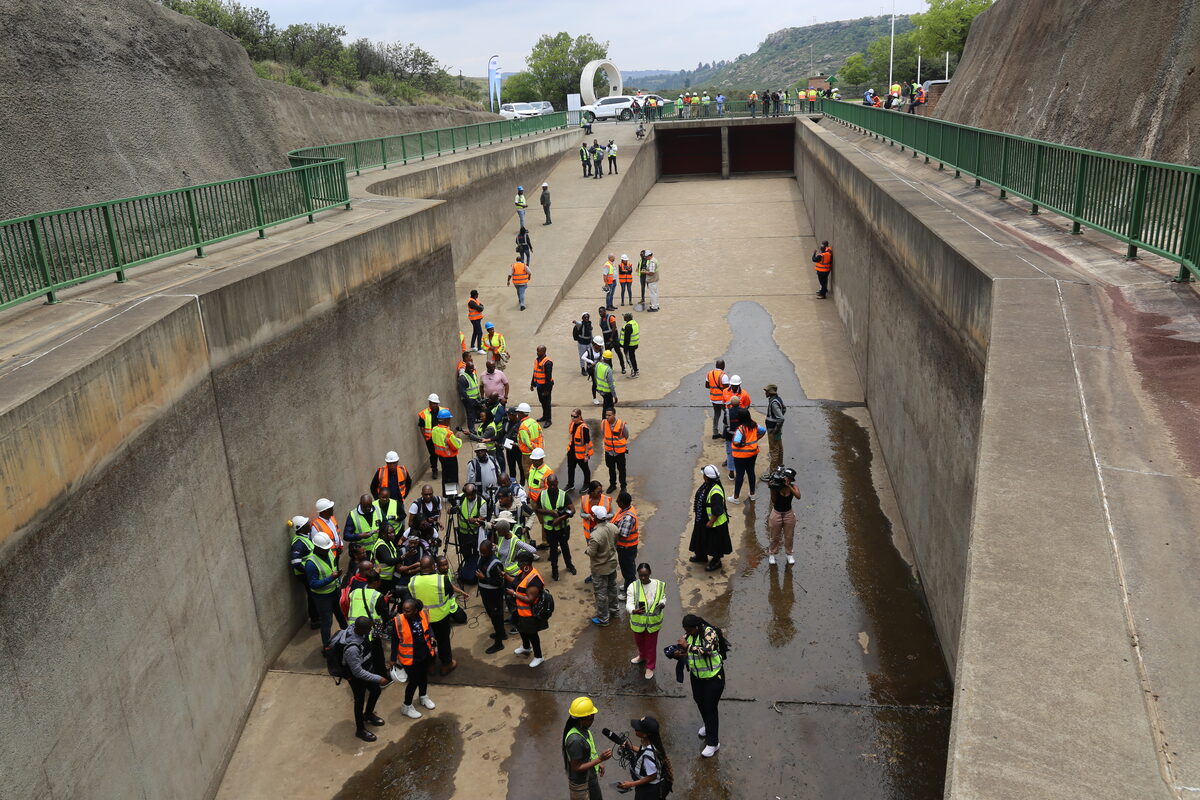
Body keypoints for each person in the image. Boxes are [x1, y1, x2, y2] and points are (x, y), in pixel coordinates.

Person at [669, 614, 726, 757]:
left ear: (696, 627)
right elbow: (686, 651)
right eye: (685, 630)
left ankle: (713, 743)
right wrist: (677, 653)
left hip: (714, 678)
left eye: (689, 630)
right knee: (700, 701)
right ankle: (708, 725)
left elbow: (707, 650)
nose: (687, 633)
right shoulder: (689, 635)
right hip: (697, 677)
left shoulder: (709, 632)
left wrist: (688, 647)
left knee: (710, 708)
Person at [407, 555, 469, 676]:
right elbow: (450, 592)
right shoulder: (441, 579)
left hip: (423, 619)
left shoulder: (413, 581)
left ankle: (430, 665)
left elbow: (411, 598)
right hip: (441, 617)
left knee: (427, 642)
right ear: (433, 566)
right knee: (443, 641)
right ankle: (446, 665)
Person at [333, 617, 389, 741]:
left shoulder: (357, 630)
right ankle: (360, 729)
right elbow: (358, 672)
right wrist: (378, 678)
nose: (371, 630)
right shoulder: (352, 649)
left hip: (368, 669)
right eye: (369, 629)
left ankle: (368, 715)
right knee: (359, 702)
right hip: (356, 678)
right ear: (362, 629)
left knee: (376, 691)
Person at [392, 597, 438, 719]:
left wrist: (432, 636)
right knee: (413, 682)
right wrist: (392, 659)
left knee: (423, 677)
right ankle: (406, 706)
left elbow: (429, 627)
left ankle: (423, 696)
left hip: (425, 653)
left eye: (408, 611)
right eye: (404, 610)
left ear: (416, 610)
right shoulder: (398, 621)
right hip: (410, 658)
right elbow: (394, 641)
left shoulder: (423, 614)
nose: (405, 613)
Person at [563, 696, 612, 799]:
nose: (592, 721)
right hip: (582, 784)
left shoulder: (583, 730)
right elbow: (576, 767)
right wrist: (600, 759)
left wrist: (598, 764)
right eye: (591, 719)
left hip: (590, 776)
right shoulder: (575, 740)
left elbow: (590, 751)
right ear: (581, 719)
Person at [304, 531, 345, 649]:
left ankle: (347, 636)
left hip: (335, 591)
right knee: (327, 621)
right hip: (322, 597)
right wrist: (331, 578)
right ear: (317, 547)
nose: (327, 550)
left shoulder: (330, 553)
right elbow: (313, 584)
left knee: (341, 615)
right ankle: (327, 646)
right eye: (324, 548)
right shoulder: (311, 563)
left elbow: (332, 567)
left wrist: (337, 580)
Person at [688, 465, 731, 572]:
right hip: (703, 519)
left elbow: (718, 510)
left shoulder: (715, 491)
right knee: (701, 538)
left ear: (707, 477)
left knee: (714, 543)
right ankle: (701, 556)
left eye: (704, 474)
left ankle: (716, 561)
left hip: (714, 523)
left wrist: (711, 521)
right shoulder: (708, 485)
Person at [616, 716, 673, 797]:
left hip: (651, 790)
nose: (635, 729)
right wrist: (630, 747)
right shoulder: (652, 743)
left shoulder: (648, 757)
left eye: (638, 728)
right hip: (658, 784)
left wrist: (631, 784)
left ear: (645, 734)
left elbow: (653, 776)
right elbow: (642, 750)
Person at [626, 563, 665, 680]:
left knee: (651, 646)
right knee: (640, 643)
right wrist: (633, 610)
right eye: (641, 575)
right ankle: (642, 656)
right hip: (638, 622)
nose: (643, 578)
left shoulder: (658, 584)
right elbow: (629, 603)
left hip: (653, 623)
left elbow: (663, 596)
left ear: (650, 573)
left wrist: (663, 603)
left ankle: (650, 666)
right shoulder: (633, 586)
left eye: (645, 575)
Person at [508, 551, 547, 667]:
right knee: (521, 629)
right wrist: (505, 576)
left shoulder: (534, 580)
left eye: (519, 563)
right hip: (519, 611)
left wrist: (514, 594)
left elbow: (530, 599)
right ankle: (526, 647)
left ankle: (539, 657)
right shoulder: (523, 572)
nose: (518, 565)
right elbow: (516, 582)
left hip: (529, 614)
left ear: (526, 563)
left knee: (532, 635)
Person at [536, 473, 577, 580]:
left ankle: (569, 565)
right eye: (550, 485)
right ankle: (554, 570)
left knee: (565, 547)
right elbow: (537, 509)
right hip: (549, 529)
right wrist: (549, 512)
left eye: (554, 484)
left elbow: (572, 510)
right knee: (553, 550)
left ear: (557, 483)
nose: (552, 487)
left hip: (563, 528)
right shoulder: (543, 494)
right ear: (547, 484)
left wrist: (560, 518)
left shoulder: (563, 495)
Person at [585, 504, 619, 626]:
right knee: (612, 588)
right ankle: (614, 611)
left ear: (595, 517)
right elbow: (615, 542)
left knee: (600, 593)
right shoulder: (613, 527)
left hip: (600, 568)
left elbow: (592, 553)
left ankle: (603, 618)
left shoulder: (595, 535)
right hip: (612, 564)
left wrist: (587, 550)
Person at [476, 540, 509, 653]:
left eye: (484, 553)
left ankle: (499, 644)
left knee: (497, 618)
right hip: (485, 594)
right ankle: (502, 634)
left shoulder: (495, 564)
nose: (482, 555)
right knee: (492, 615)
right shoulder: (482, 558)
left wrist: (483, 578)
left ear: (490, 551)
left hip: (494, 596)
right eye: (481, 552)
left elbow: (499, 582)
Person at [289, 516, 318, 628]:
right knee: (312, 596)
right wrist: (308, 572)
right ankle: (315, 620)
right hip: (304, 574)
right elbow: (296, 562)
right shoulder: (299, 543)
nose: (309, 524)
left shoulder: (305, 538)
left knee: (313, 595)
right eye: (307, 523)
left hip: (307, 573)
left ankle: (316, 617)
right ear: (301, 528)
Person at [767, 467, 800, 565]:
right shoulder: (777, 487)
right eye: (785, 477)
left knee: (789, 536)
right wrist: (772, 489)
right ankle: (772, 554)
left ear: (791, 479)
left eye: (789, 478)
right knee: (774, 536)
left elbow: (798, 496)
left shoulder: (793, 487)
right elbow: (773, 501)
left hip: (788, 514)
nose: (787, 479)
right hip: (776, 513)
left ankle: (789, 554)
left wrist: (789, 486)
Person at [730, 412, 765, 503]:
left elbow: (737, 442)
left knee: (740, 475)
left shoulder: (741, 429)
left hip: (741, 456)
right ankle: (752, 494)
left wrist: (740, 444)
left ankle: (736, 497)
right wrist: (756, 439)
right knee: (751, 472)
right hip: (752, 453)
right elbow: (763, 430)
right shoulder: (754, 425)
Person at [612, 491, 639, 592]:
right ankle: (627, 584)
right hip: (625, 548)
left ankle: (630, 592)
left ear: (622, 503)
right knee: (627, 569)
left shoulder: (628, 517)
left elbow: (623, 535)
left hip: (626, 548)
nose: (616, 501)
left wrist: (611, 531)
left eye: (618, 500)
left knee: (628, 571)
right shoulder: (624, 509)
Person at [431, 409, 463, 492]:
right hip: (450, 458)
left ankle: (445, 494)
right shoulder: (448, 433)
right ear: (446, 420)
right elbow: (456, 446)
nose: (450, 420)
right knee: (452, 477)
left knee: (445, 475)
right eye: (449, 419)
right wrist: (458, 439)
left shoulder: (434, 429)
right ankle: (452, 495)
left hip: (441, 457)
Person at [565, 408, 593, 492]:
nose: (573, 418)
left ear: (580, 416)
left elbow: (587, 442)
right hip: (572, 451)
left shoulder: (584, 428)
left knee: (585, 469)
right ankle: (570, 484)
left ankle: (587, 484)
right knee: (570, 468)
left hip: (581, 454)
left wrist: (586, 455)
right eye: (571, 416)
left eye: (575, 416)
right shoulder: (572, 424)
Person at [602, 408, 629, 493]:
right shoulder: (603, 423)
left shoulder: (621, 424)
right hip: (609, 452)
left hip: (619, 453)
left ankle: (623, 487)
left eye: (609, 415)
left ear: (614, 415)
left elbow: (626, 435)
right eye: (606, 415)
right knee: (611, 469)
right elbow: (603, 433)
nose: (607, 417)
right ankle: (612, 485)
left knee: (621, 470)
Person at [515, 402, 544, 477]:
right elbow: (540, 435)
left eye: (518, 413)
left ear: (521, 413)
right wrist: (539, 449)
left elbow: (527, 443)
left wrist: (535, 450)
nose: (517, 415)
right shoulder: (534, 422)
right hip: (537, 452)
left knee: (528, 474)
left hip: (527, 455)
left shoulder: (523, 427)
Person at [763, 384, 787, 473]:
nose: (765, 393)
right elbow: (784, 409)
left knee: (774, 451)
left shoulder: (773, 403)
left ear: (770, 392)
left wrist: (775, 429)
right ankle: (780, 467)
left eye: (766, 391)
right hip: (777, 430)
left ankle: (772, 473)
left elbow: (781, 418)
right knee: (779, 448)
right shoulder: (777, 399)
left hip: (773, 430)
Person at [525, 447, 554, 518]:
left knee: (545, 521)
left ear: (541, 459)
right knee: (541, 520)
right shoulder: (532, 467)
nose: (532, 462)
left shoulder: (548, 472)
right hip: (533, 501)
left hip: (542, 504)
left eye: (535, 460)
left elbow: (550, 491)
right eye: (532, 460)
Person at [418, 393, 441, 480]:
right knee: (433, 455)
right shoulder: (424, 413)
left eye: (436, 403)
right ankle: (434, 470)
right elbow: (421, 426)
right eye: (432, 403)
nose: (434, 405)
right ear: (429, 403)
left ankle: (445, 469)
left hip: (441, 438)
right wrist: (425, 438)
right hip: (430, 439)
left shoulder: (442, 411)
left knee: (443, 454)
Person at [531, 345, 554, 426]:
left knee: (547, 403)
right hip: (539, 385)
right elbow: (535, 372)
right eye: (537, 351)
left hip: (545, 386)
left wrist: (547, 390)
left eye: (539, 351)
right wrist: (532, 384)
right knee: (542, 402)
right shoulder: (537, 360)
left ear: (543, 352)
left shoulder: (547, 363)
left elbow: (548, 378)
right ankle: (544, 416)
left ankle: (548, 420)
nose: (537, 353)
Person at [458, 361, 482, 434]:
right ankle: (471, 430)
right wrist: (469, 400)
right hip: (469, 400)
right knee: (471, 415)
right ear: (466, 368)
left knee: (477, 414)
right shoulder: (463, 378)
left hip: (476, 398)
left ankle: (476, 428)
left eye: (472, 368)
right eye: (470, 368)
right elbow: (462, 392)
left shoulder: (473, 374)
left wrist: (478, 397)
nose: (472, 370)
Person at [704, 360, 727, 439]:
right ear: (723, 366)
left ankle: (715, 433)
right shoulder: (723, 375)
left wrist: (714, 387)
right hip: (722, 400)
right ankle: (725, 433)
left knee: (716, 415)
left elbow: (707, 385)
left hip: (713, 399)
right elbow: (726, 389)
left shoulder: (709, 373)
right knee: (727, 414)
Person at [598, 308, 626, 372]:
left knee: (618, 352)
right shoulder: (600, 320)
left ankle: (623, 367)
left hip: (614, 338)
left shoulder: (611, 317)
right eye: (599, 312)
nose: (600, 313)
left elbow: (614, 327)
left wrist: (611, 337)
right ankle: (610, 368)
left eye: (601, 312)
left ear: (605, 311)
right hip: (606, 338)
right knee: (607, 354)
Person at [620, 312, 640, 378]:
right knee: (632, 358)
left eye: (624, 316)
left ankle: (634, 372)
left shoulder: (628, 326)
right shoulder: (634, 323)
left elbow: (627, 339)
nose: (623, 317)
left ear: (627, 318)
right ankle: (636, 370)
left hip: (629, 346)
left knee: (629, 359)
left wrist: (625, 348)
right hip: (634, 344)